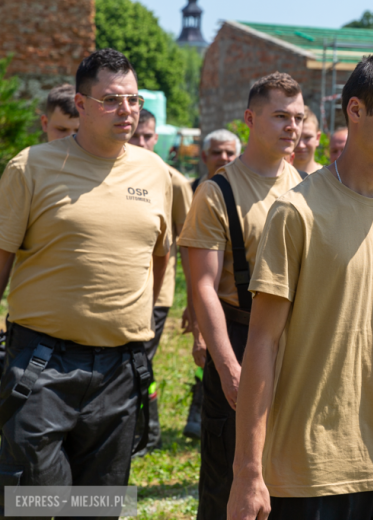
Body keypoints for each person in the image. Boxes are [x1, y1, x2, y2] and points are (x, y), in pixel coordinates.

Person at [227, 54, 373, 520]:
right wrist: (248, 471)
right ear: (355, 111)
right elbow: (262, 343)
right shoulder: (296, 212)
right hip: (311, 470)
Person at [0, 49, 171, 510]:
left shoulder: (156, 173)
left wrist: (138, 320)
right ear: (81, 103)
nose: (128, 110)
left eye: (133, 99)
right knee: (31, 501)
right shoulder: (30, 166)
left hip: (121, 369)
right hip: (41, 364)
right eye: (113, 99)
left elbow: (158, 258)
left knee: (99, 504)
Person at [178, 72, 304, 520]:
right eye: (280, 117)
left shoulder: (311, 185)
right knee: (229, 483)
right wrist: (229, 365)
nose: (292, 127)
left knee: (292, 478)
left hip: (298, 341)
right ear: (251, 118)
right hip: (242, 336)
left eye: (298, 117)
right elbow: (204, 287)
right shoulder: (217, 191)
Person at [128, 108, 194, 454]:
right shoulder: (116, 175)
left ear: (157, 138)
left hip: (157, 292)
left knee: (141, 363)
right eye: (135, 135)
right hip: (123, 290)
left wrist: (193, 301)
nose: (141, 141)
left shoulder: (175, 182)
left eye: (147, 135)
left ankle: (148, 434)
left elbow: (190, 244)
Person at [183, 127, 241, 440]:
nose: (223, 158)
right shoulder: (195, 190)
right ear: (204, 156)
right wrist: (192, 307)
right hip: (207, 296)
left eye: (229, 153)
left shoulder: (242, 192)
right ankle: (198, 404)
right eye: (217, 152)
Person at [293, 105, 322, 175]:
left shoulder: (327, 179)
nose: (301, 145)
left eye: (307, 137)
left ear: (317, 138)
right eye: (296, 137)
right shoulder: (274, 176)